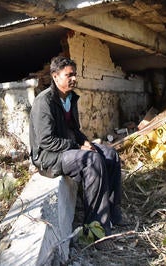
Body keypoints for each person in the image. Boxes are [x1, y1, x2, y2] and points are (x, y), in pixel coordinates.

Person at [29, 55, 124, 238]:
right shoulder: (44, 102)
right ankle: (96, 229)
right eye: (69, 75)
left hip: (66, 149)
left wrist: (85, 141)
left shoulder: (70, 98)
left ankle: (113, 212)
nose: (74, 79)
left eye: (75, 74)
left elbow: (74, 128)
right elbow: (46, 141)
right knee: (92, 161)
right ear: (55, 76)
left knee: (110, 154)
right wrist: (76, 146)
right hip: (48, 156)